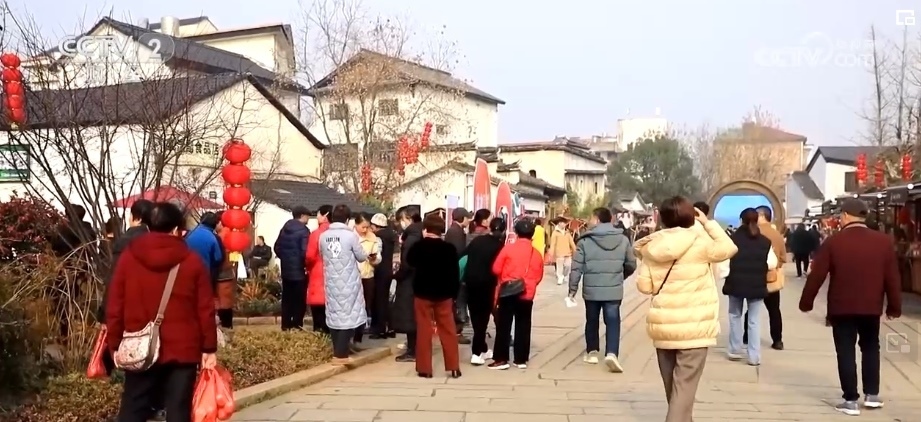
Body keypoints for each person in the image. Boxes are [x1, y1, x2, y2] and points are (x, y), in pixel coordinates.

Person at [107, 202, 218, 422]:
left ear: (148, 226)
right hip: (184, 348)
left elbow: (115, 302)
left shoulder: (130, 257)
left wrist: (115, 342)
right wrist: (209, 348)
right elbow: (205, 308)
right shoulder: (192, 261)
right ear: (177, 229)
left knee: (133, 408)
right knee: (178, 410)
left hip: (139, 346)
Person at [634, 196, 737, 422]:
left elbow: (645, 287)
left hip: (664, 327)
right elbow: (729, 248)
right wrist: (707, 223)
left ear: (663, 219)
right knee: (684, 388)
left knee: (674, 390)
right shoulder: (700, 244)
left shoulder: (653, 247)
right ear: (691, 216)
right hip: (695, 327)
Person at [799, 198, 901, 415]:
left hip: (841, 307)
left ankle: (851, 400)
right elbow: (892, 278)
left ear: (845, 216)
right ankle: (872, 395)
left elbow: (817, 275)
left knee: (845, 350)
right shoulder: (883, 242)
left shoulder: (834, 242)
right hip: (871, 307)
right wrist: (894, 307)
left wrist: (806, 302)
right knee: (871, 347)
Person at [569, 207, 635, 372]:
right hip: (613, 289)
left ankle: (592, 352)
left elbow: (576, 268)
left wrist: (572, 290)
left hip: (591, 290)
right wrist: (620, 276)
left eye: (591, 218)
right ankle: (612, 352)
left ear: (597, 219)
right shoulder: (623, 240)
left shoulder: (585, 241)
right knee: (613, 320)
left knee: (592, 320)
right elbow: (631, 264)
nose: (589, 221)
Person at [407, 213, 462, 378]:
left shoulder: (418, 247)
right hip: (444, 294)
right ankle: (454, 367)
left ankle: (425, 369)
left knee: (424, 330)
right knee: (448, 330)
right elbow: (455, 274)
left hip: (422, 293)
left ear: (426, 229)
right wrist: (454, 294)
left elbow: (409, 261)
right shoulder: (449, 249)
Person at [723, 208, 778, 367]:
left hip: (735, 283)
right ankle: (754, 356)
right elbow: (772, 263)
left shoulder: (732, 240)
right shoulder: (765, 242)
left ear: (741, 220)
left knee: (735, 315)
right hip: (756, 285)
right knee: (754, 320)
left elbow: (724, 262)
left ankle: (735, 349)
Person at [489, 219, 544, 370]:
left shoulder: (508, 249)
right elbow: (539, 275)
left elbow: (495, 269)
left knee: (504, 325)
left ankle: (501, 358)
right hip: (527, 292)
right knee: (524, 324)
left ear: (517, 232)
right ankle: (521, 359)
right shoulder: (536, 254)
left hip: (509, 290)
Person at [319, 204, 369, 364]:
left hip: (331, 281)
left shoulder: (323, 237)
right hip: (349, 281)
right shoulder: (351, 236)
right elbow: (361, 257)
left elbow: (322, 254)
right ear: (347, 220)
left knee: (334, 314)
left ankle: (337, 351)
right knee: (348, 315)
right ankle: (341, 354)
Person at [462, 218, 505, 365]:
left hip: (470, 282)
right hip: (488, 285)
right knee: (483, 319)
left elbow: (463, 256)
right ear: (503, 231)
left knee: (476, 318)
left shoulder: (477, 241)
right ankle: (476, 353)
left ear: (490, 228)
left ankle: (483, 348)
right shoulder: (499, 246)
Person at [743, 206, 786, 350]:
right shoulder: (777, 234)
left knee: (752, 309)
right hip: (772, 279)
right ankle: (777, 340)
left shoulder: (753, 232)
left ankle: (746, 336)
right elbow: (783, 257)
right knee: (774, 311)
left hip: (755, 277)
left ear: (761, 216)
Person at [392, 209, 422, 362]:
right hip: (419, 281)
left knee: (410, 317)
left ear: (408, 219)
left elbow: (407, 263)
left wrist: (397, 275)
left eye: (401, 219)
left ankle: (412, 351)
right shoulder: (420, 233)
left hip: (409, 283)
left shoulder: (411, 238)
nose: (400, 223)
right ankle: (415, 349)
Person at [274, 206, 310, 331]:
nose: (308, 219)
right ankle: (297, 325)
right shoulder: (304, 231)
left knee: (287, 299)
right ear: (302, 216)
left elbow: (277, 247)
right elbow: (305, 252)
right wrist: (303, 264)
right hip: (299, 271)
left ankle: (285, 325)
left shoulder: (285, 228)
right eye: (307, 216)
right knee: (299, 300)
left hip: (286, 270)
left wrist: (286, 258)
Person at [444, 207, 472, 345]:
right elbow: (460, 253)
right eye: (467, 218)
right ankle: (456, 331)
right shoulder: (456, 232)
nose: (469, 220)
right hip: (456, 273)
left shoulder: (456, 230)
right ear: (462, 218)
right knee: (458, 302)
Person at [354, 213, 382, 345]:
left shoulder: (373, 238)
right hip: (354, 276)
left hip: (368, 275)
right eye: (362, 227)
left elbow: (379, 257)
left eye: (367, 227)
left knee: (366, 305)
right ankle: (353, 333)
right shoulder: (351, 237)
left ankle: (359, 335)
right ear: (356, 224)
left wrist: (374, 259)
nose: (365, 230)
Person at [369, 213, 397, 339]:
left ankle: (379, 329)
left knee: (378, 301)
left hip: (379, 271)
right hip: (388, 271)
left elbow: (375, 255)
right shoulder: (391, 235)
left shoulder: (378, 238)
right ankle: (390, 327)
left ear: (376, 226)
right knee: (386, 300)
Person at [305, 205, 333, 333]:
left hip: (318, 271)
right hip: (335, 273)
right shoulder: (338, 233)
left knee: (318, 307)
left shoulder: (316, 234)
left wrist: (307, 266)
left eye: (318, 214)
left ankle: (319, 332)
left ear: (324, 215)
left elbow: (309, 256)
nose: (316, 217)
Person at [549, 218, 577, 285]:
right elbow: (552, 244)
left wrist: (575, 250)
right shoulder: (555, 233)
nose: (564, 224)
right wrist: (551, 253)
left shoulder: (567, 232)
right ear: (559, 223)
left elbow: (571, 242)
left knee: (568, 266)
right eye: (562, 223)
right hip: (559, 253)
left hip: (567, 253)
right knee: (559, 267)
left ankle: (564, 275)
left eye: (564, 223)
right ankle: (560, 277)